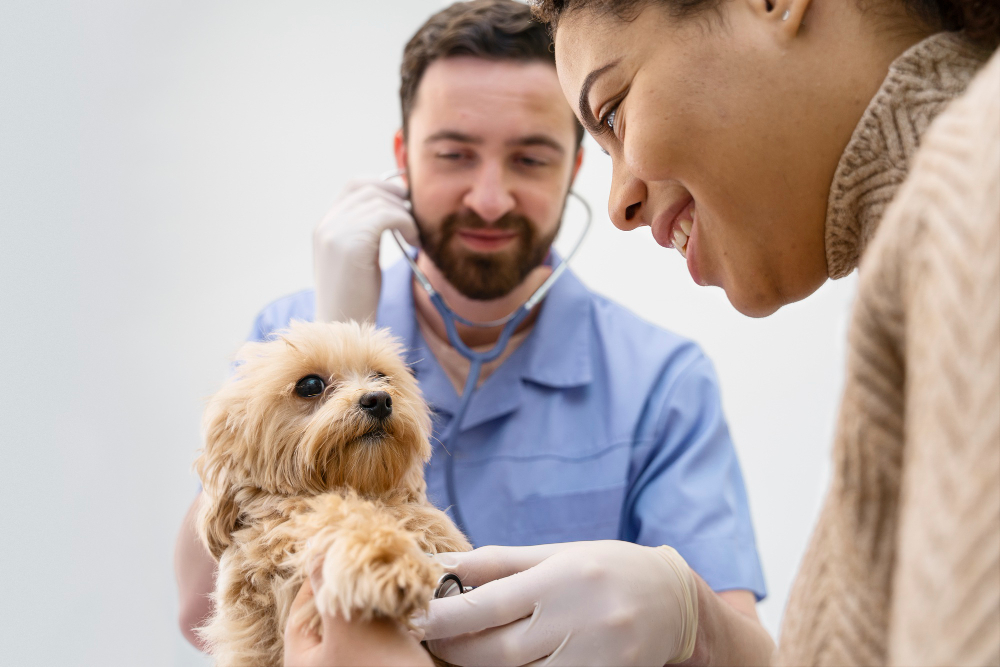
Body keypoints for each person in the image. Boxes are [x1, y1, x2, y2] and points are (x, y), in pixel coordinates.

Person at [403, 0, 1000, 665]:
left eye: (613, 111)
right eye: (454, 153)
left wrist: (703, 625)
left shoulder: (978, 186)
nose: (619, 203)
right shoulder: (923, 247)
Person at [175, 0, 771, 658]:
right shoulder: (286, 336)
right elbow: (204, 606)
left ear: (575, 166)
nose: (490, 198)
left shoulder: (661, 383)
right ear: (404, 159)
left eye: (530, 159)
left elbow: (745, 650)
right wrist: (337, 329)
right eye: (455, 154)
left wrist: (689, 614)